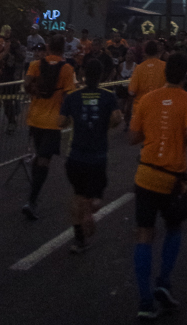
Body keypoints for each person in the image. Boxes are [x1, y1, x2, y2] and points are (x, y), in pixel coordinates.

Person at [129, 51, 187, 319]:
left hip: (146, 174)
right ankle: (164, 282)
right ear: (185, 76)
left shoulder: (147, 99)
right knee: (173, 228)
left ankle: (145, 301)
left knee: (144, 234)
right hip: (173, 179)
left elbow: (133, 136)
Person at [59, 59, 122, 253]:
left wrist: (74, 119)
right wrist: (104, 126)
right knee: (94, 195)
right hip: (98, 156)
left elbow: (61, 122)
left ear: (83, 74)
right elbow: (117, 119)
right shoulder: (108, 96)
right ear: (102, 75)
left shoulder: (72, 97)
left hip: (76, 155)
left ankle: (79, 238)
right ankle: (91, 208)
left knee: (77, 195)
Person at [22, 34, 76, 220]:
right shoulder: (67, 68)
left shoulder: (35, 65)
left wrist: (36, 92)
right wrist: (67, 115)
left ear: (47, 47)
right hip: (53, 121)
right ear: (63, 49)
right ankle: (32, 200)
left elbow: (26, 84)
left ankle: (32, 197)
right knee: (44, 159)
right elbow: (69, 94)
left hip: (35, 118)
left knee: (40, 156)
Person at [129, 39, 166, 104]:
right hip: (160, 105)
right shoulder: (165, 66)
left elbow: (132, 91)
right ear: (157, 51)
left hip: (142, 105)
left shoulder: (139, 68)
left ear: (144, 52)